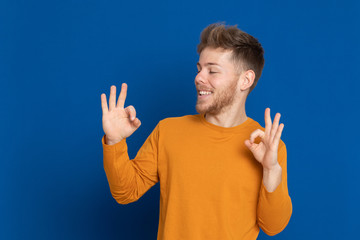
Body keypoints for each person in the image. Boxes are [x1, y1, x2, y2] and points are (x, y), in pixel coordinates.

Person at [100, 23, 292, 240]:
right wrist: (114, 141)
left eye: (212, 70)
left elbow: (273, 226)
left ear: (245, 80)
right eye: (199, 68)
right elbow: (126, 191)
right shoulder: (169, 131)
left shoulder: (267, 146)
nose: (199, 77)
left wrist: (271, 169)